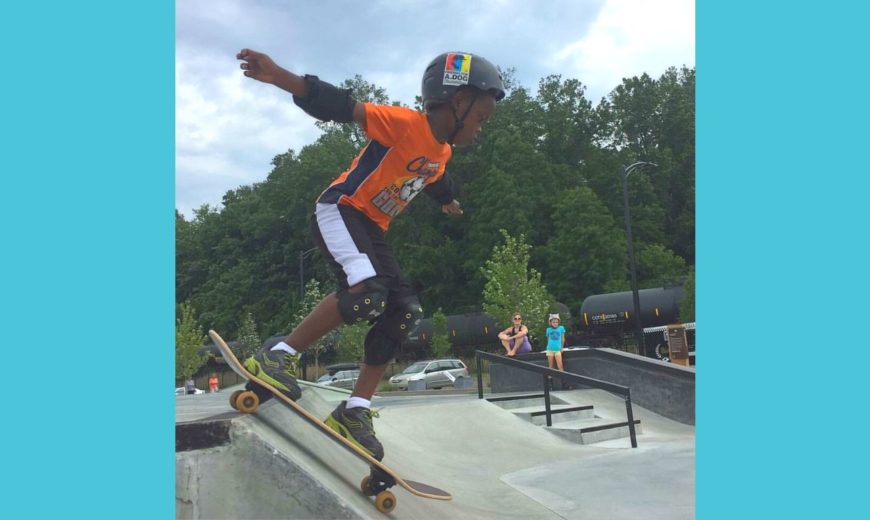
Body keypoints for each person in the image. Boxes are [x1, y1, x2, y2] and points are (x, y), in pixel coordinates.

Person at [236, 48, 505, 461]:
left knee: (404, 310)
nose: (482, 129)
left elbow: (434, 176)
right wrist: (280, 77)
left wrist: (447, 201)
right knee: (366, 292)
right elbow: (343, 107)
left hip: (373, 229)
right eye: (482, 118)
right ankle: (278, 356)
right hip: (341, 208)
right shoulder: (403, 124)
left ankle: (354, 410)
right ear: (458, 102)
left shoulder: (442, 152)